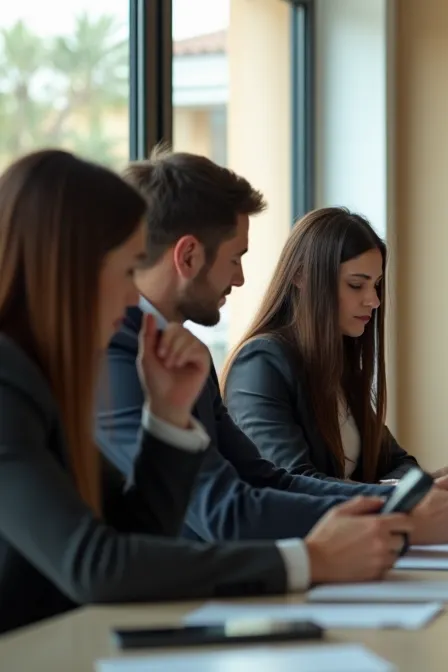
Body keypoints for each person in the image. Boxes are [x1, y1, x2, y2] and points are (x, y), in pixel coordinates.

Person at [0, 150, 412, 635]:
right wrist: (307, 560)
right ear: (70, 269)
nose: (135, 297)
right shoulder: (11, 382)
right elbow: (96, 563)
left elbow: (138, 531)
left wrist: (169, 419)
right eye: (127, 269)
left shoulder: (48, 371)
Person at [97, 149, 448, 544]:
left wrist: (411, 499)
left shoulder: (185, 354)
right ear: (187, 257)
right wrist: (402, 517)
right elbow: (225, 513)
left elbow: (266, 480)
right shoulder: (116, 355)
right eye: (235, 258)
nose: (239, 280)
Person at [221, 207, 424, 484]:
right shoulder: (261, 363)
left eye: (376, 285)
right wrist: (401, 495)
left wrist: (428, 489)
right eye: (356, 285)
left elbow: (400, 463)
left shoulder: (339, 364)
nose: (374, 301)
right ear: (301, 276)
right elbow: (293, 483)